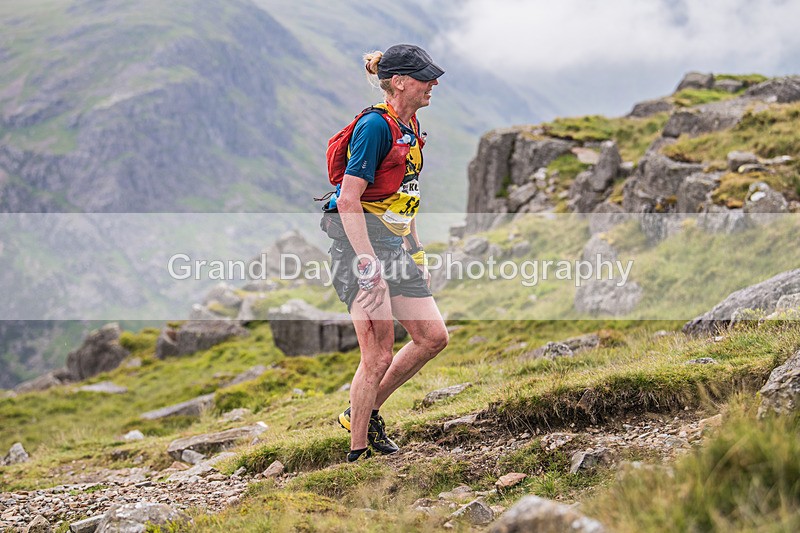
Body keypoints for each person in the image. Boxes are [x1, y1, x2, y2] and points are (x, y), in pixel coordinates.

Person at [323, 44, 449, 462]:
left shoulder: (410, 125)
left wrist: (416, 252)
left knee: (432, 337)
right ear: (399, 82)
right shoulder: (376, 127)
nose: (433, 83)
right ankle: (357, 453)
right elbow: (348, 200)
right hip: (359, 247)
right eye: (425, 77)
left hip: (393, 246)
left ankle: (365, 411)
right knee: (376, 355)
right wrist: (367, 262)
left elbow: (404, 193)